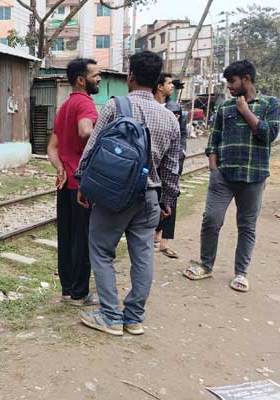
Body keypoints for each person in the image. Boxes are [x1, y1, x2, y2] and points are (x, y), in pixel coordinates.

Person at [75, 51, 182, 336]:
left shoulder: (115, 106)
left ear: (130, 77)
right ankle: (133, 318)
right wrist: (168, 200)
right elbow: (173, 167)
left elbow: (93, 149)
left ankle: (110, 316)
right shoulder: (170, 118)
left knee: (101, 249)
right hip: (150, 196)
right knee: (143, 254)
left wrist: (84, 184)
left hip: (113, 195)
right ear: (158, 80)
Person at [183, 60, 280, 292]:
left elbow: (270, 135)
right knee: (211, 219)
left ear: (246, 79)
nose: (229, 87)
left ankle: (241, 273)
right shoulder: (225, 108)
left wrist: (246, 111)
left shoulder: (270, 104)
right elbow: (214, 138)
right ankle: (206, 265)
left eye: (232, 82)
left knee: (246, 226)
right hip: (223, 177)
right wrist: (213, 165)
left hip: (253, 177)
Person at [47, 58, 101, 307]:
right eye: (95, 75)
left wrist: (60, 168)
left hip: (65, 182)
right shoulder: (86, 104)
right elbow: (85, 131)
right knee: (84, 238)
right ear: (82, 79)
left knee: (67, 238)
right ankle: (80, 294)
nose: (98, 79)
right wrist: (105, 134)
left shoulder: (65, 106)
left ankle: (68, 290)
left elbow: (52, 148)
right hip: (83, 185)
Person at [152, 73, 187, 258]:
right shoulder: (149, 107)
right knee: (153, 197)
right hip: (153, 161)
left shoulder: (175, 108)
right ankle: (153, 236)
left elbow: (182, 134)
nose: (172, 86)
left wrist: (181, 153)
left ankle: (165, 241)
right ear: (159, 86)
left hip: (171, 160)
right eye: (168, 83)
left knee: (171, 197)